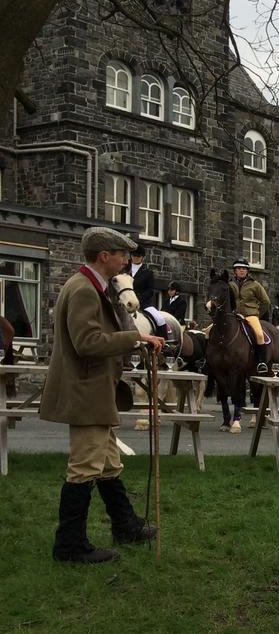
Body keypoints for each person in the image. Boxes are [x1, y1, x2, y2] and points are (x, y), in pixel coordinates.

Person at [41, 227, 165, 563]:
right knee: (84, 468)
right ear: (104, 256)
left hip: (96, 391)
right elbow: (88, 344)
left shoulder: (96, 287)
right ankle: (69, 546)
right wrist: (134, 339)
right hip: (86, 392)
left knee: (109, 463)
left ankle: (124, 526)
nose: (127, 260)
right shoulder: (83, 289)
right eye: (122, 254)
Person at [229, 258, 271, 374]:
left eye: (244, 269)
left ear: (247, 271)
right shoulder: (230, 284)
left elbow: (266, 302)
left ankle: (262, 362)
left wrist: (257, 313)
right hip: (234, 315)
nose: (241, 271)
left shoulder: (255, 285)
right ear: (235, 271)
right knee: (209, 330)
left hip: (250, 315)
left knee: (259, 334)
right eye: (239, 268)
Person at [129, 244, 156, 310]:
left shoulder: (148, 273)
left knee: (158, 318)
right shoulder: (124, 269)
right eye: (134, 255)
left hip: (143, 304)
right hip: (125, 301)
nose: (135, 258)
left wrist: (138, 298)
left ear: (143, 257)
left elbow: (150, 290)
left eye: (138, 256)